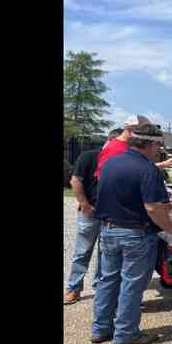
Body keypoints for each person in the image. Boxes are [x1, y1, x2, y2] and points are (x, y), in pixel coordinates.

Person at [92, 123, 172, 344]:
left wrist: (161, 205)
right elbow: (152, 209)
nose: (160, 150)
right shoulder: (148, 169)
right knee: (131, 284)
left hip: (108, 230)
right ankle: (126, 335)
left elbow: (122, 195)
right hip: (136, 236)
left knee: (108, 280)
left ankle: (100, 329)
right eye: (159, 144)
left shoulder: (110, 163)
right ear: (149, 144)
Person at [64, 129, 123, 305]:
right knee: (82, 251)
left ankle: (100, 288)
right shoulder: (89, 156)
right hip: (90, 212)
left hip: (109, 214)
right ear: (111, 140)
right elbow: (75, 181)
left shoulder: (118, 160)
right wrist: (85, 205)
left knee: (105, 253)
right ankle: (74, 288)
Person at [94, 115, 172, 179]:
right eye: (143, 130)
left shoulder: (130, 147)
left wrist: (162, 164)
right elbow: (103, 177)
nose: (146, 133)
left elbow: (134, 169)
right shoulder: (114, 148)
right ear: (130, 130)